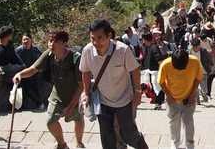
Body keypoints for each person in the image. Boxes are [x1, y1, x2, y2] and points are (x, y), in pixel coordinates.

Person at [79, 19, 148, 149]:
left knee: (128, 134)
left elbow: (135, 69)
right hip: (103, 101)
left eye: (100, 38)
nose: (95, 42)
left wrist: (137, 92)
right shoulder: (88, 50)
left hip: (124, 100)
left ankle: (142, 145)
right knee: (107, 138)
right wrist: (86, 93)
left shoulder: (122, 50)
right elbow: (85, 71)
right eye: (92, 38)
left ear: (109, 36)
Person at [14, 31, 84, 149]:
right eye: (50, 41)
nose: (51, 44)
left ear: (64, 43)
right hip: (57, 95)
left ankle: (79, 143)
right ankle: (62, 144)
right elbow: (33, 69)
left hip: (74, 96)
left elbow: (81, 86)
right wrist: (19, 75)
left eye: (55, 41)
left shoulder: (75, 58)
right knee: (50, 121)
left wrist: (71, 106)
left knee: (77, 118)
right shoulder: (49, 55)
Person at [158, 48, 203, 149]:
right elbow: (160, 81)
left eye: (182, 67)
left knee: (188, 122)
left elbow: (199, 78)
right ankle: (175, 144)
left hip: (189, 97)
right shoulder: (165, 64)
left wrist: (193, 93)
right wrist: (168, 96)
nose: (180, 70)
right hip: (172, 98)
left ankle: (190, 145)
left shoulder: (195, 62)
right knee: (174, 122)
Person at [140, 31, 170, 110]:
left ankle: (158, 103)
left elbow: (159, 58)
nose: (142, 41)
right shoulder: (147, 47)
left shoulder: (154, 47)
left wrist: (168, 54)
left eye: (143, 39)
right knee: (153, 87)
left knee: (158, 87)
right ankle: (157, 102)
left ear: (146, 40)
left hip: (155, 71)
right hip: (149, 70)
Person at [15, 34, 45, 110]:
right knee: (24, 90)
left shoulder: (35, 50)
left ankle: (39, 104)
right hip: (22, 74)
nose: (25, 41)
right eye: (23, 40)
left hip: (34, 73)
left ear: (31, 40)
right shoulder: (18, 50)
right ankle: (21, 107)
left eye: (27, 39)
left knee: (35, 88)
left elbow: (41, 59)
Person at [189, 38, 213, 104]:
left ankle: (204, 94)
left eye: (197, 46)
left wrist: (210, 65)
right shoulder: (189, 52)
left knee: (204, 87)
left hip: (203, 71)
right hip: (193, 72)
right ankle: (197, 100)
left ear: (199, 45)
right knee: (194, 87)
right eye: (194, 46)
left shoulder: (203, 51)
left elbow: (210, 59)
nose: (196, 48)